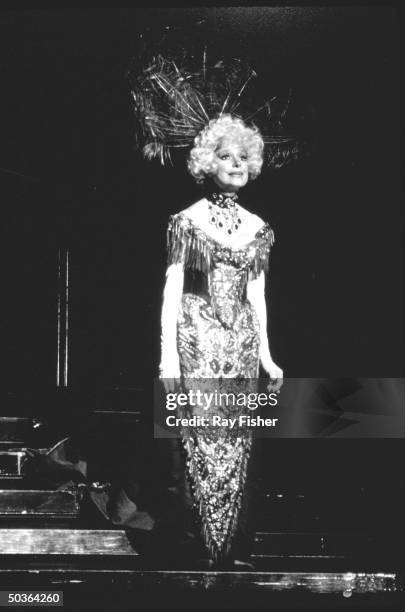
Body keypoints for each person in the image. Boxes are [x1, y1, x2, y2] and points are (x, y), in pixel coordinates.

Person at [159, 114, 283, 568]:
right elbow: (173, 290)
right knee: (197, 440)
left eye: (243, 157)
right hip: (198, 339)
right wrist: (166, 360)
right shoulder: (187, 221)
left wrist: (267, 357)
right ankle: (196, 547)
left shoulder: (257, 227)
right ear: (206, 162)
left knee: (236, 441)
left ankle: (230, 550)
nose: (236, 164)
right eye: (226, 156)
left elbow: (257, 296)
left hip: (241, 345)